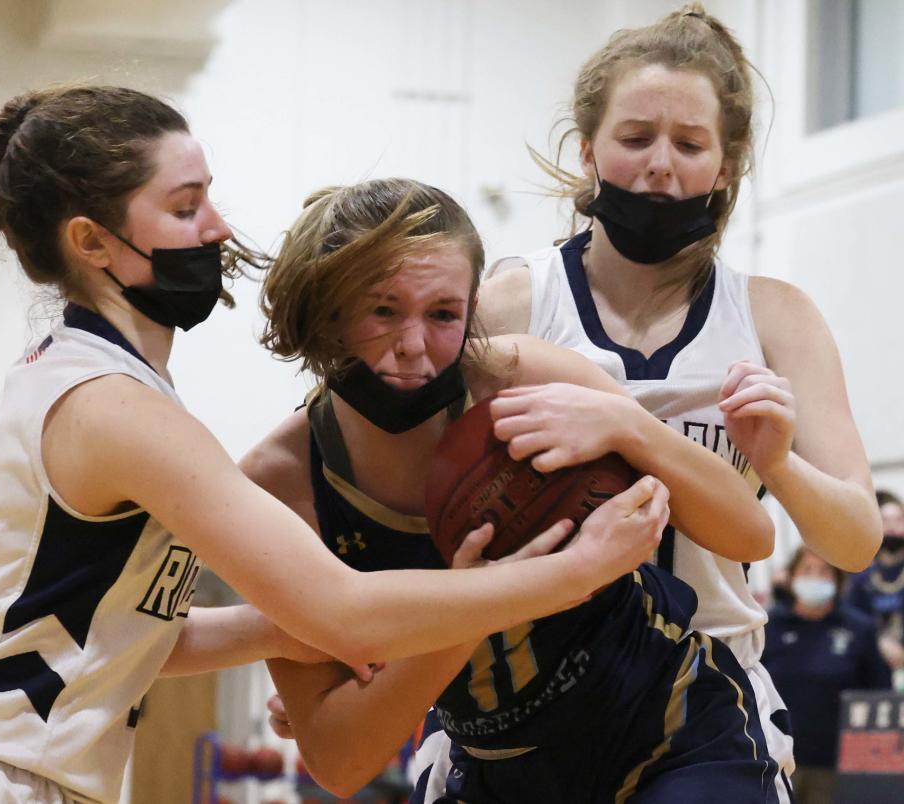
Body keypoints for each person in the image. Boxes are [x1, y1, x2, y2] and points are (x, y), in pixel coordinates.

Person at [0, 87, 668, 804]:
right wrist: (577, 570)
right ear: (92, 241)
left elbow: (118, 634)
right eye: (185, 206)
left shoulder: (92, 378)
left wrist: (276, 634)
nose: (218, 228)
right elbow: (343, 609)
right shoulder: (113, 406)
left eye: (210, 199)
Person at [244, 177, 778, 802]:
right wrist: (479, 602)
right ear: (325, 310)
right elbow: (340, 763)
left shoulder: (519, 376)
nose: (414, 345)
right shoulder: (280, 483)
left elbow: (752, 533)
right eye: (383, 309)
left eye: (443, 314)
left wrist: (634, 428)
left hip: (666, 725)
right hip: (496, 764)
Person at [476, 4, 882, 798]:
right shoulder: (513, 301)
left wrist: (779, 466)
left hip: (705, 684)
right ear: (589, 148)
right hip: (526, 676)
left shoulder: (775, 316)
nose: (661, 164)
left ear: (725, 166)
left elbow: (858, 539)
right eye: (636, 139)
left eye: (690, 144)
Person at [763, 547, 890, 803]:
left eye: (824, 571)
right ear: (791, 577)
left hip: (837, 765)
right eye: (807, 570)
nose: (815, 577)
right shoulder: (768, 626)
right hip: (775, 762)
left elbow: (879, 694)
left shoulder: (859, 629)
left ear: (837, 580)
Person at [845, 491, 904, 688]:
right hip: (874, 667)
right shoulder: (860, 577)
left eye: (899, 520)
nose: (893, 527)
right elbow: (851, 618)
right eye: (886, 520)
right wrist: (879, 642)